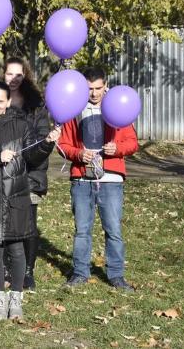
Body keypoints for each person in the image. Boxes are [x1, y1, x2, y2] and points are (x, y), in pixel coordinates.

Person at [0, 81, 60, 320]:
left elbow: (32, 157)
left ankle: (16, 297)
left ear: (8, 102)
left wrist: (47, 143)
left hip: (15, 196)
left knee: (17, 249)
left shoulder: (22, 126)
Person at [58, 67, 139, 292]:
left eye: (98, 88)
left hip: (112, 179)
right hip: (82, 179)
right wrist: (78, 154)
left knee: (113, 229)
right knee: (82, 229)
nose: (93, 93)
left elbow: (133, 143)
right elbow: (63, 146)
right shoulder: (73, 110)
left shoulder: (118, 107)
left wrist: (117, 148)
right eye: (89, 89)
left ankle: (116, 275)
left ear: (106, 86)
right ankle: (80, 273)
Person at [3, 57, 51, 290]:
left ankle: (28, 272)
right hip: (3, 173)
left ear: (26, 76)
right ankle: (5, 269)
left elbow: (42, 138)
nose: (13, 79)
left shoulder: (36, 105)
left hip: (30, 173)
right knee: (4, 222)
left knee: (28, 224)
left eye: (18, 75)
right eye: (9, 74)